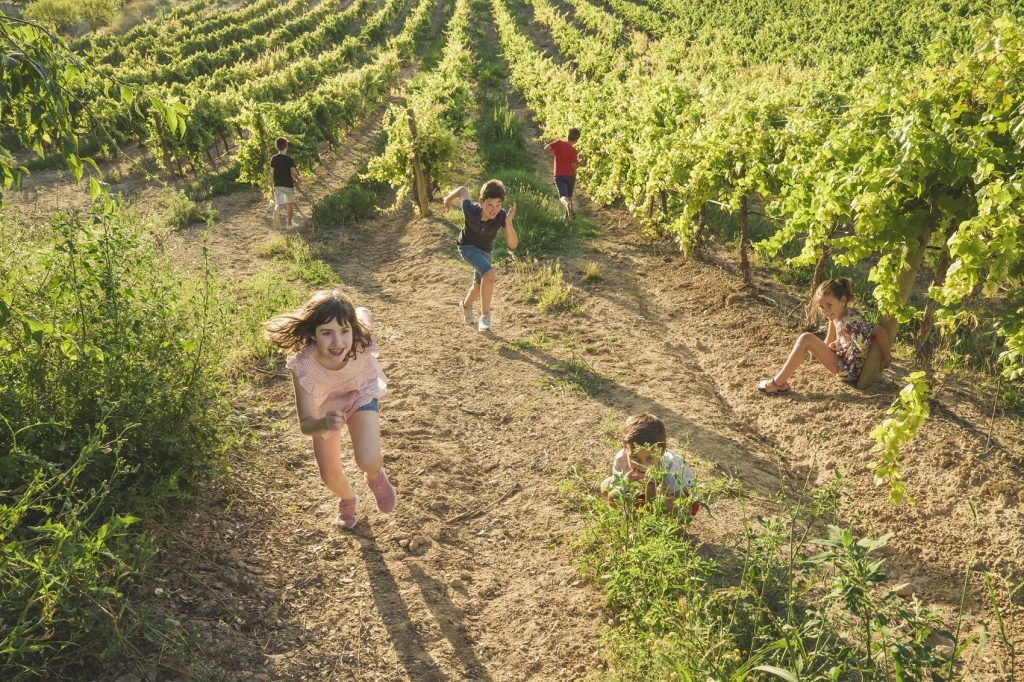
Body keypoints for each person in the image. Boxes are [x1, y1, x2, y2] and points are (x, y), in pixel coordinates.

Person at [264, 289, 396, 529]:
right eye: (326, 333)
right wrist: (324, 424)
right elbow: (305, 423)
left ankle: (375, 476)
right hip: (325, 409)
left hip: (359, 392)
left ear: (352, 329)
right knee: (329, 475)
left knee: (367, 458)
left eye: (344, 331)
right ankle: (347, 499)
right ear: (311, 334)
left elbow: (364, 315)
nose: (338, 342)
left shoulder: (360, 338)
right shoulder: (303, 365)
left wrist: (362, 314)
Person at [758, 277, 892, 394]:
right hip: (844, 363)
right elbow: (828, 343)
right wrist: (835, 345)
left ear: (843, 300)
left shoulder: (852, 322)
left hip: (849, 372)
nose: (825, 310)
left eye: (829, 305)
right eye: (822, 307)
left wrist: (887, 358)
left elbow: (880, 331)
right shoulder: (838, 316)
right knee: (806, 339)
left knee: (806, 338)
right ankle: (779, 382)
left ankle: (777, 384)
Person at [443, 179, 518, 332]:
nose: (494, 210)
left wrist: (508, 222)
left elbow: (513, 245)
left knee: (478, 286)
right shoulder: (470, 210)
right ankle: (485, 317)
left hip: (485, 251)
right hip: (467, 247)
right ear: (481, 201)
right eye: (490, 205)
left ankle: (466, 306)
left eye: (498, 205)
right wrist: (447, 199)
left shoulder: (501, 216)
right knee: (489, 274)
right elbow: (463, 189)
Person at [600, 414, 699, 516]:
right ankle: (635, 516)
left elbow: (687, 509)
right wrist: (624, 486)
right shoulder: (621, 459)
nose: (642, 465)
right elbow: (612, 498)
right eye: (634, 457)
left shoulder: (669, 465)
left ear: (661, 451)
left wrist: (666, 496)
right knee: (606, 485)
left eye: (650, 458)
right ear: (625, 448)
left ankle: (656, 519)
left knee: (652, 489)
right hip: (642, 492)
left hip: (681, 497)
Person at [544, 128, 581, 221]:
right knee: (569, 197)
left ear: (567, 135)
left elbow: (546, 148)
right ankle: (567, 219)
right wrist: (581, 161)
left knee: (563, 197)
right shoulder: (573, 151)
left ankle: (567, 209)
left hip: (559, 175)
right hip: (571, 176)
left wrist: (553, 153)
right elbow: (574, 167)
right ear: (577, 140)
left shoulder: (559, 143)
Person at [271, 137, 301, 228]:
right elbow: (293, 172)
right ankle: (289, 224)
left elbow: (271, 172)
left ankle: (277, 209)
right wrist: (298, 179)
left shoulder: (274, 158)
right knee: (289, 205)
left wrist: (273, 183)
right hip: (288, 185)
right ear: (286, 147)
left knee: (279, 204)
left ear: (277, 147)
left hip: (277, 184)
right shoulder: (289, 159)